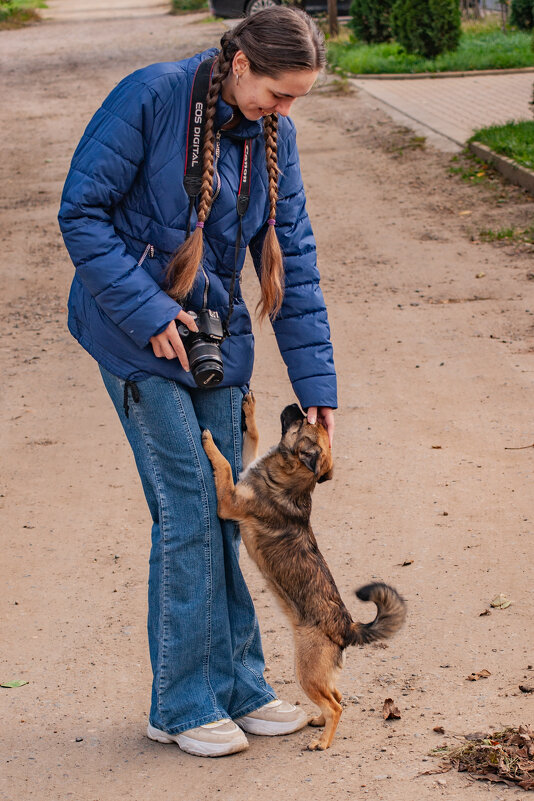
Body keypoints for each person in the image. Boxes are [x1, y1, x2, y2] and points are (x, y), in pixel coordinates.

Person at [58, 7, 337, 758]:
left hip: (214, 338)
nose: (287, 111)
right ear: (241, 64)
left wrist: (316, 389)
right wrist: (149, 308)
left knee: (230, 509)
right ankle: (179, 702)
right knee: (187, 506)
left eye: (299, 98)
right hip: (129, 328)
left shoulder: (274, 136)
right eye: (280, 94)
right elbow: (80, 212)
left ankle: (239, 685)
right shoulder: (150, 97)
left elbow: (297, 261)